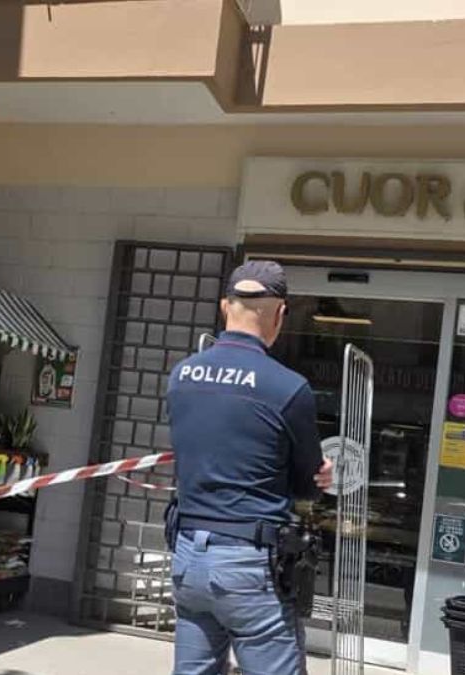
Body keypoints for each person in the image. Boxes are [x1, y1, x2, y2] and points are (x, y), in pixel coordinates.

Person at [166, 260, 333, 675]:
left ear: (226, 307)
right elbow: (307, 486)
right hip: (249, 564)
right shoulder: (287, 388)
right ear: (280, 314)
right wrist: (321, 474)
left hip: (188, 556)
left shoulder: (182, 375)